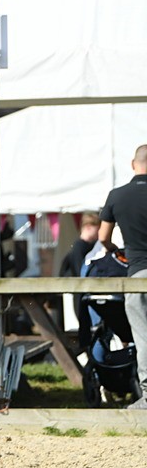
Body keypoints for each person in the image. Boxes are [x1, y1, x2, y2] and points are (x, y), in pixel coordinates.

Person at [98, 145, 147, 409]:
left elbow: (103, 237)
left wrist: (114, 251)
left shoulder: (117, 195)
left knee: (144, 338)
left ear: (133, 164)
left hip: (137, 273)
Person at [59, 212, 101, 348]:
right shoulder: (79, 247)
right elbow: (79, 273)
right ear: (89, 227)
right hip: (80, 296)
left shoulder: (84, 247)